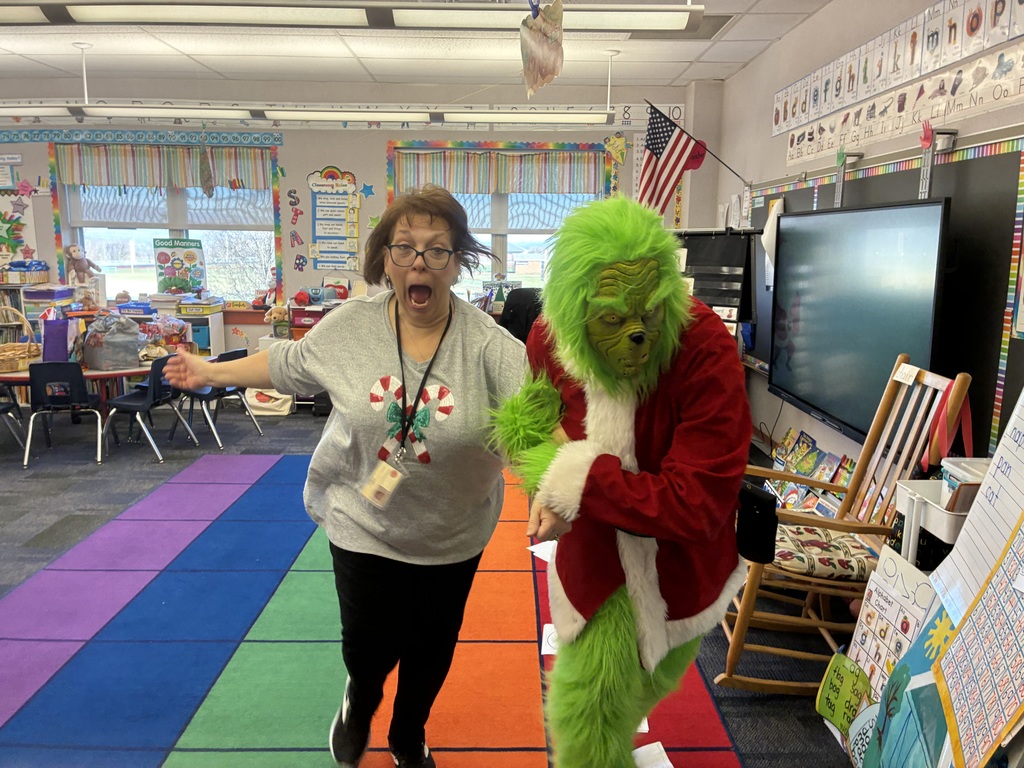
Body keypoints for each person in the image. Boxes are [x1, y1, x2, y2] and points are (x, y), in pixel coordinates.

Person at [164, 184, 527, 768]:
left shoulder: (495, 349)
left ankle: (408, 734)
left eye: (438, 250)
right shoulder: (349, 326)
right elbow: (288, 365)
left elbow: (530, 429)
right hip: (361, 517)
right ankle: (360, 703)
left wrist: (563, 481)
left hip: (451, 531)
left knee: (431, 653)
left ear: (458, 263)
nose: (419, 262)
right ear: (384, 256)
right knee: (368, 646)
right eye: (405, 247)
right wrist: (211, 368)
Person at [491, 196, 750, 768]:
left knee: (626, 697)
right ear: (573, 312)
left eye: (651, 312)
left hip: (681, 566)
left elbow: (698, 503)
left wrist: (576, 480)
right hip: (597, 560)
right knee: (589, 716)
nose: (638, 334)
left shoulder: (703, 345)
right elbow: (528, 428)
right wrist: (551, 477)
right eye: (612, 318)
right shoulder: (550, 338)